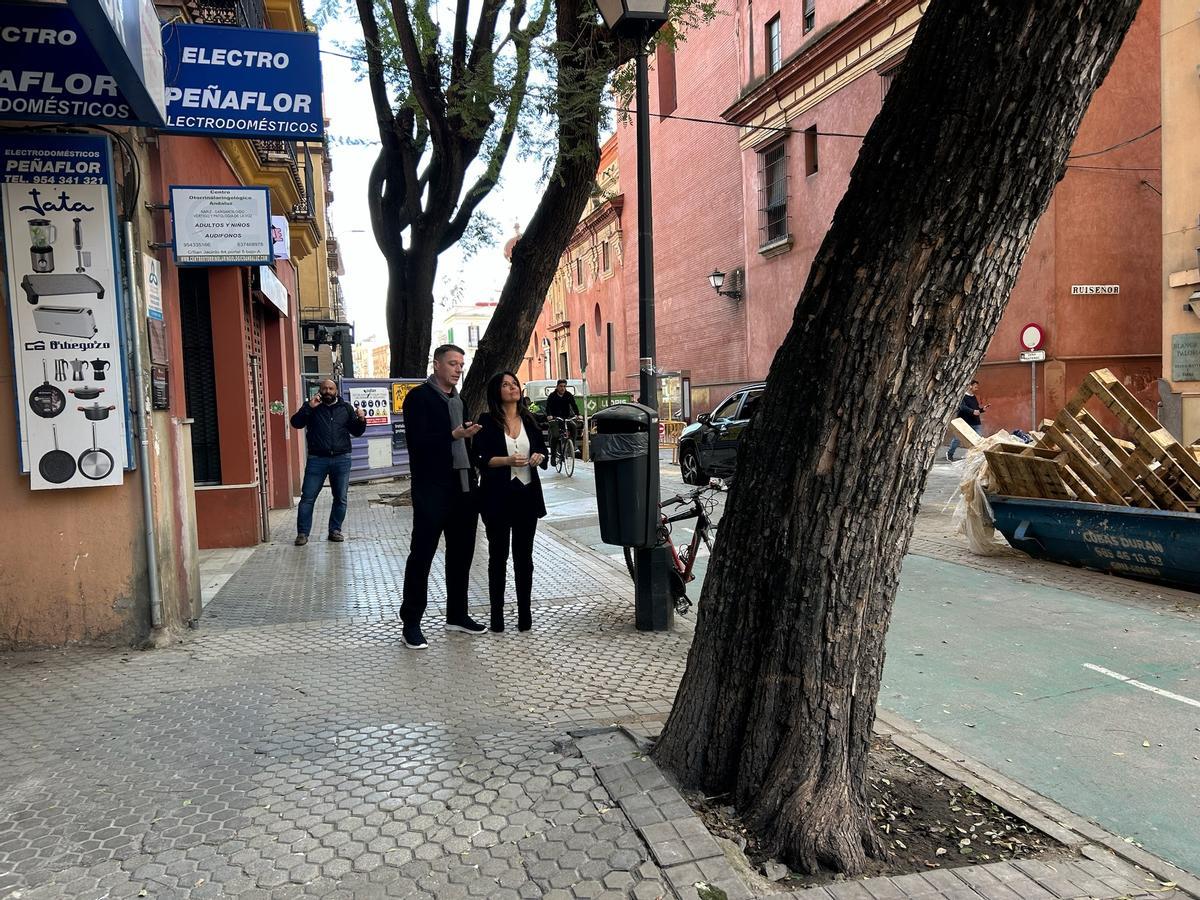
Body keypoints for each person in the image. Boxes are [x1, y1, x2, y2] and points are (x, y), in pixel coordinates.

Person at [400, 344, 488, 648]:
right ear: (436, 365)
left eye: (461, 364)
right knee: (422, 555)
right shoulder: (418, 399)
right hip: (431, 488)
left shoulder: (457, 401)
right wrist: (454, 435)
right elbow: (418, 444)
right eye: (452, 363)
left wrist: (466, 434)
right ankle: (411, 621)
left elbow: (460, 442)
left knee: (462, 554)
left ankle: (457, 615)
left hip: (463, 486)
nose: (458, 369)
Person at [473, 372, 549, 633]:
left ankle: (525, 613)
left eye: (514, 383)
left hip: (526, 496)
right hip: (497, 498)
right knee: (498, 556)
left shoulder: (529, 418)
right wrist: (506, 461)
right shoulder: (487, 421)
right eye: (506, 385)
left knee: (524, 557)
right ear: (497, 392)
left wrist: (539, 455)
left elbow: (542, 448)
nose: (512, 388)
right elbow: (480, 459)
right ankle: (497, 615)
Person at [291, 379, 366, 545]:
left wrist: (361, 420)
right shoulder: (311, 407)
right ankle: (302, 533)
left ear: (336, 391)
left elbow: (357, 432)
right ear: (319, 390)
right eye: (324, 388)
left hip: (342, 459)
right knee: (308, 498)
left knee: (340, 497)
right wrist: (308, 408)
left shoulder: (345, 408)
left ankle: (335, 530)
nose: (327, 391)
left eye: (331, 388)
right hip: (317, 459)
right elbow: (295, 423)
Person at [947, 379, 988, 461]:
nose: (977, 388)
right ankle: (950, 454)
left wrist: (982, 410)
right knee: (957, 439)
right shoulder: (962, 396)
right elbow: (962, 407)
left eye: (977, 387)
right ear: (970, 386)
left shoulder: (974, 397)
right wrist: (973, 411)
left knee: (978, 440)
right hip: (964, 422)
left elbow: (976, 410)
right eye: (975, 387)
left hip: (976, 422)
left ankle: (974, 457)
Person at [544, 379, 580, 464]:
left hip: (566, 418)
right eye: (561, 386)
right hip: (555, 418)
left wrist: (577, 414)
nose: (562, 388)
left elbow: (574, 405)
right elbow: (547, 407)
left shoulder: (568, 395)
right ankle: (553, 456)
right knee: (555, 435)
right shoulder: (552, 396)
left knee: (574, 427)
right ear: (557, 387)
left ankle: (572, 446)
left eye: (564, 386)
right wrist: (549, 415)